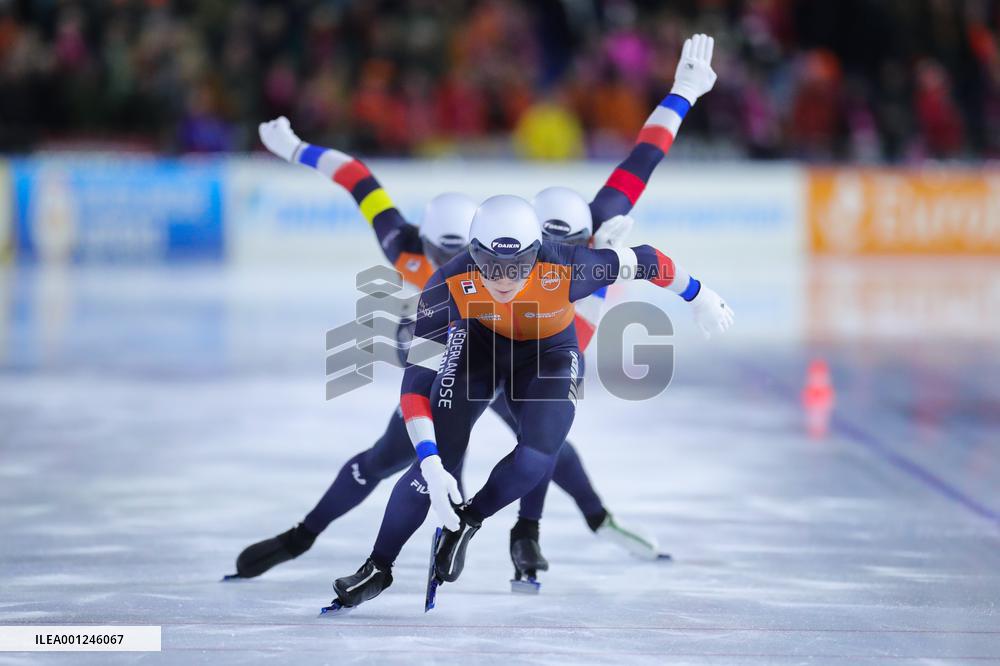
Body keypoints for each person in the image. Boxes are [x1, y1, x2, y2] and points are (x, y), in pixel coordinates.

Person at [232, 33, 720, 588]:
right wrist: (297, 149)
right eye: (454, 254)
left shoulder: (561, 254)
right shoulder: (424, 255)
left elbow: (641, 162)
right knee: (424, 448)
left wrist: (683, 92)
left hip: (510, 344)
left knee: (539, 438)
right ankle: (321, 533)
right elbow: (360, 181)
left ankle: (527, 531)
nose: (459, 262)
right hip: (450, 342)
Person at [329, 189, 733, 611]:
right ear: (472, 254)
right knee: (432, 467)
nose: (503, 279)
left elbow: (650, 260)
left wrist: (700, 295)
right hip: (477, 351)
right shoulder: (446, 283)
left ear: (539, 254)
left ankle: (470, 520)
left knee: (539, 454)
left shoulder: (570, 266)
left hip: (549, 357)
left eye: (518, 266)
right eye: (490, 267)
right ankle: (378, 566)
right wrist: (429, 459)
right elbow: (415, 386)